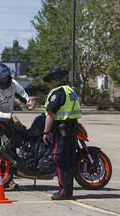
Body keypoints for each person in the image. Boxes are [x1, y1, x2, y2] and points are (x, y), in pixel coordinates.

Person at [0, 62, 35, 189]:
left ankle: (10, 178)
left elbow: (24, 96)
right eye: (2, 77)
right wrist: (10, 116)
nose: (5, 79)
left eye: (6, 76)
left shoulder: (13, 84)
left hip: (8, 119)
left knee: (12, 148)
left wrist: (29, 103)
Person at [42, 66, 82, 200]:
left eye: (50, 81)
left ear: (53, 81)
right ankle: (68, 191)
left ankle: (64, 191)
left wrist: (45, 132)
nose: (50, 84)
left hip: (61, 129)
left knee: (57, 157)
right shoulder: (70, 90)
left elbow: (51, 114)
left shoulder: (57, 92)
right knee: (68, 159)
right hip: (72, 127)